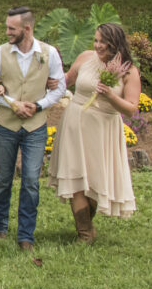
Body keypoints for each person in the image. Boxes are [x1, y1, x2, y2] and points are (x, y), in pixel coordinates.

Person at [49, 23, 138, 242]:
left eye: (103, 42)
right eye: (96, 40)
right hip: (75, 122)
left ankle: (87, 225)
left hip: (103, 129)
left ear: (115, 44)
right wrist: (45, 82)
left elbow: (131, 109)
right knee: (75, 176)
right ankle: (85, 233)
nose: (98, 46)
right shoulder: (85, 57)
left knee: (96, 180)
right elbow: (66, 80)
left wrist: (110, 95)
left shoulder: (129, 71)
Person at [0, 7, 66, 251]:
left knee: (31, 180)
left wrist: (38, 105)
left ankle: (26, 236)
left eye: (12, 28)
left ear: (27, 29)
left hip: (35, 126)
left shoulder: (48, 53)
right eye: (7, 28)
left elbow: (59, 87)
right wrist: (12, 104)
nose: (7, 32)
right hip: (5, 125)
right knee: (2, 179)